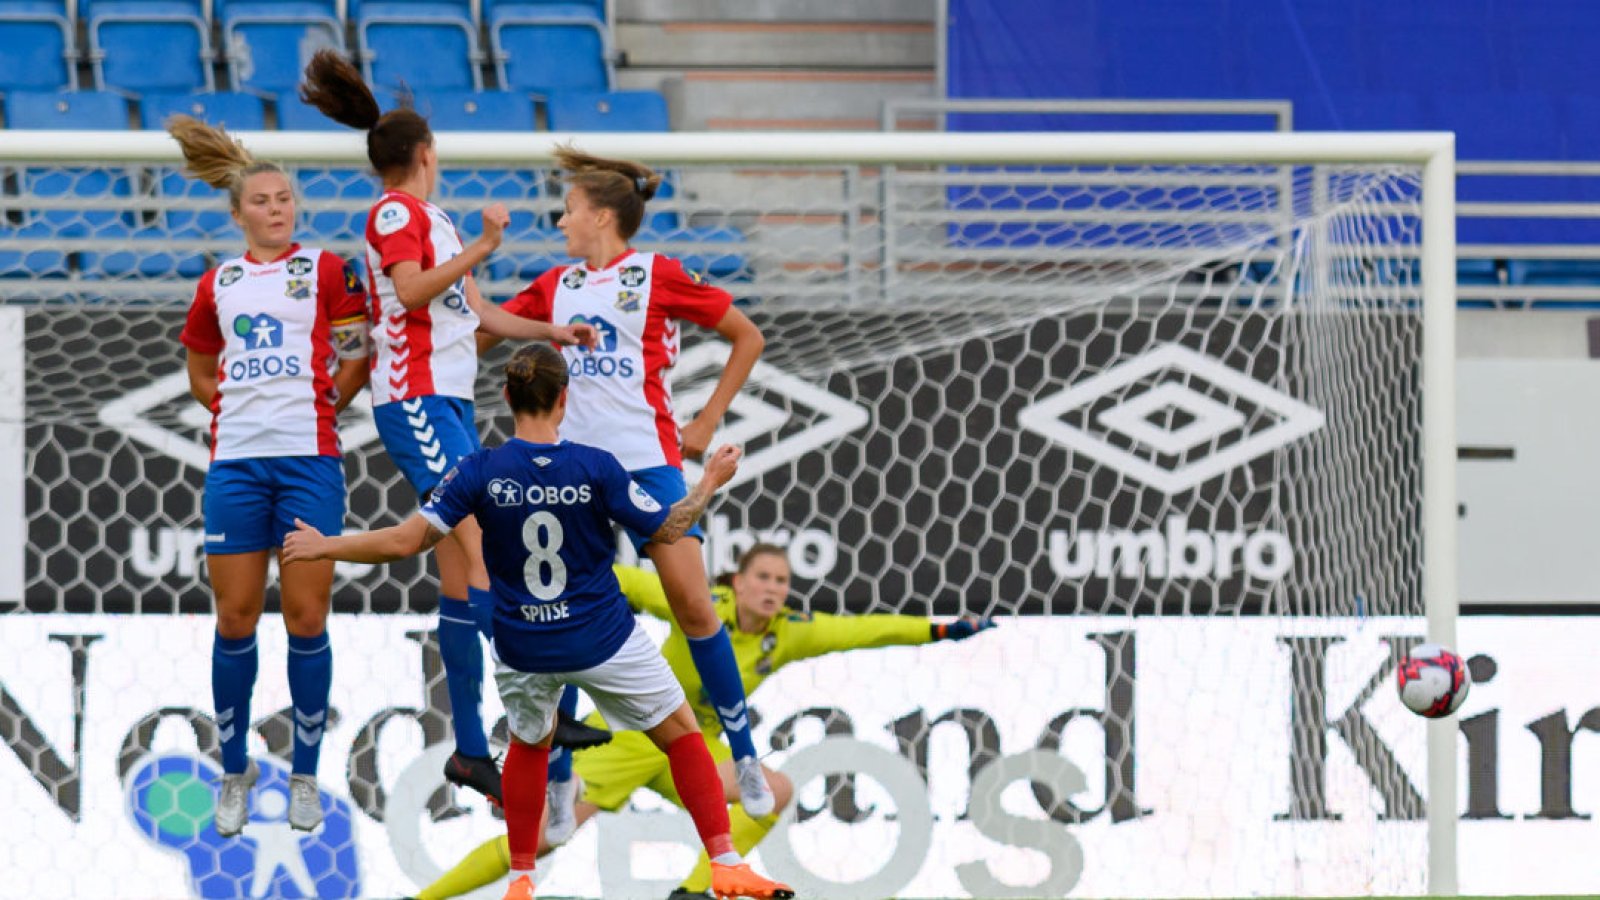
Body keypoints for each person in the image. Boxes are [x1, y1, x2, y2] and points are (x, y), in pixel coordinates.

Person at [283, 344, 794, 900]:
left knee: (531, 745)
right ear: (564, 400)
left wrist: (322, 545)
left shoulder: (478, 470)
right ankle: (725, 863)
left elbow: (406, 541)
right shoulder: (596, 466)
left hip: (524, 644)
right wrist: (708, 482)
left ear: (506, 398)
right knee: (682, 736)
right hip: (603, 639)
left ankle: (522, 879)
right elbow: (669, 530)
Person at [298, 50, 604, 803]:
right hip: (415, 402)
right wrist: (486, 246)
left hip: (450, 402)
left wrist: (551, 330)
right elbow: (406, 295)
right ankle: (536, 710)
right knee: (485, 546)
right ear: (426, 153)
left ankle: (475, 748)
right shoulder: (396, 213)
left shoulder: (433, 218)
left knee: (466, 569)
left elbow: (474, 314)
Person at [411, 545, 998, 900]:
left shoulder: (787, 633)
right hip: (624, 737)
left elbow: (866, 631)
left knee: (773, 789)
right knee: (541, 839)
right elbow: (626, 580)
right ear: (735, 582)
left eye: (781, 581)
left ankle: (695, 890)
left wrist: (941, 630)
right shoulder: (697, 605)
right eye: (762, 577)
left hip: (688, 749)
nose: (773, 588)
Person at [490, 146, 776, 818]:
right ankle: (559, 777)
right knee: (557, 614)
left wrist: (705, 419)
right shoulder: (556, 286)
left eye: (569, 211)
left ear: (601, 216)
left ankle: (744, 754)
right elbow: (489, 323)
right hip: (573, 476)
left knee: (696, 606)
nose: (561, 222)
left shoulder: (657, 275)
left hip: (649, 462)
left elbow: (747, 336)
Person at [169, 114, 371, 836]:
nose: (277, 208)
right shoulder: (216, 282)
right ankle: (233, 770)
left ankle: (308, 775)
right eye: (262, 200)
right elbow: (197, 364)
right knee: (235, 618)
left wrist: (332, 400)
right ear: (237, 212)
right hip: (235, 466)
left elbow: (356, 352)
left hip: (309, 460)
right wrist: (220, 401)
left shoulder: (328, 268)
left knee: (308, 617)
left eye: (284, 198)